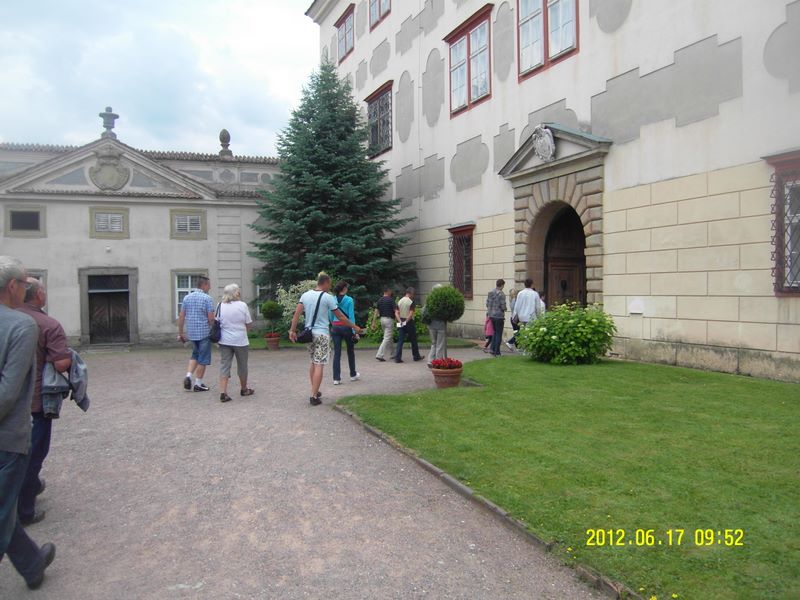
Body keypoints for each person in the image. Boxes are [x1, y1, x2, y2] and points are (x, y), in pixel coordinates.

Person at [0, 256, 56, 589]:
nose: (27, 289)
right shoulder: (21, 325)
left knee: (4, 507)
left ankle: (32, 564)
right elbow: (7, 393)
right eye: (25, 283)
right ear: (13, 286)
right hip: (7, 438)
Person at [16, 278, 71, 525]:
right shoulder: (47, 324)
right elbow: (61, 363)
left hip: (10, 401)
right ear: (38, 295)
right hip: (36, 400)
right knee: (33, 454)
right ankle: (25, 510)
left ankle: (29, 489)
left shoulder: (8, 318)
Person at [289, 273, 363, 405]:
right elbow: (341, 317)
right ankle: (314, 397)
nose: (330, 287)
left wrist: (292, 330)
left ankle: (315, 390)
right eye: (330, 284)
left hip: (309, 334)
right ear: (326, 282)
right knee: (319, 364)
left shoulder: (305, 295)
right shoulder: (328, 298)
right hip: (322, 334)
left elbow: (296, 314)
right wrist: (354, 327)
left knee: (313, 362)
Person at [217, 284, 254, 403]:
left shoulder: (220, 305)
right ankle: (244, 389)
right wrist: (243, 331)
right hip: (240, 340)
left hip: (224, 340)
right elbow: (248, 324)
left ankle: (223, 392)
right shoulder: (242, 305)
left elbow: (216, 321)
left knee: (224, 365)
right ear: (236, 293)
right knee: (242, 365)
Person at [177, 276, 215, 392]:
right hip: (204, 332)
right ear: (204, 285)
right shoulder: (207, 298)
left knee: (195, 355)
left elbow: (181, 316)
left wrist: (181, 333)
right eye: (209, 285)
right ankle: (198, 383)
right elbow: (211, 318)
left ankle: (188, 376)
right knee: (203, 359)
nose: (210, 287)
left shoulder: (187, 298)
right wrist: (214, 329)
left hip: (192, 333)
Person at [330, 281, 360, 385]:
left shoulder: (332, 299)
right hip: (346, 327)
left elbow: (330, 314)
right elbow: (351, 316)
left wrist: (333, 324)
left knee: (337, 353)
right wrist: (354, 331)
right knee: (350, 351)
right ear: (344, 289)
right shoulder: (349, 300)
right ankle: (353, 374)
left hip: (335, 326)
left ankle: (336, 378)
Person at [507, 279, 544, 349]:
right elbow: (538, 307)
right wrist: (539, 317)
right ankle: (527, 348)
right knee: (529, 333)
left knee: (522, 333)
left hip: (522, 317)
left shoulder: (520, 293)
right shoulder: (535, 294)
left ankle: (522, 347)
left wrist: (515, 316)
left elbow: (517, 306)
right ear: (532, 284)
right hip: (531, 317)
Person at [394, 287, 425, 363]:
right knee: (413, 339)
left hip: (401, 320)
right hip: (409, 322)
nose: (413, 296)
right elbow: (410, 315)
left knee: (400, 340)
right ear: (411, 293)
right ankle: (416, 356)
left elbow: (396, 313)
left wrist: (400, 321)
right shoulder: (411, 302)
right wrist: (406, 322)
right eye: (413, 294)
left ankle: (397, 357)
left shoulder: (400, 301)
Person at [427, 284, 447, 366]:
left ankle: (430, 360)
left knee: (433, 344)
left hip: (431, 325)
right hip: (441, 325)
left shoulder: (429, 300)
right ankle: (438, 362)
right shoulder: (442, 301)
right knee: (440, 345)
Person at [486, 279, 507, 356]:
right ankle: (497, 351)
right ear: (502, 285)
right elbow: (503, 306)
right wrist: (505, 308)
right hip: (499, 316)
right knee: (498, 333)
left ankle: (492, 349)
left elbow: (487, 304)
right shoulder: (502, 294)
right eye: (503, 285)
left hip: (491, 315)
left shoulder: (491, 293)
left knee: (494, 332)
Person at [374, 287, 396, 362]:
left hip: (382, 320)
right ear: (388, 291)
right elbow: (395, 311)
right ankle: (379, 355)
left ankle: (393, 353)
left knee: (389, 337)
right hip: (389, 320)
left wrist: (373, 322)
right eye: (390, 291)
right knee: (387, 338)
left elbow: (376, 311)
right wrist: (399, 320)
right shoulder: (391, 300)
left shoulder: (380, 300)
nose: (391, 292)